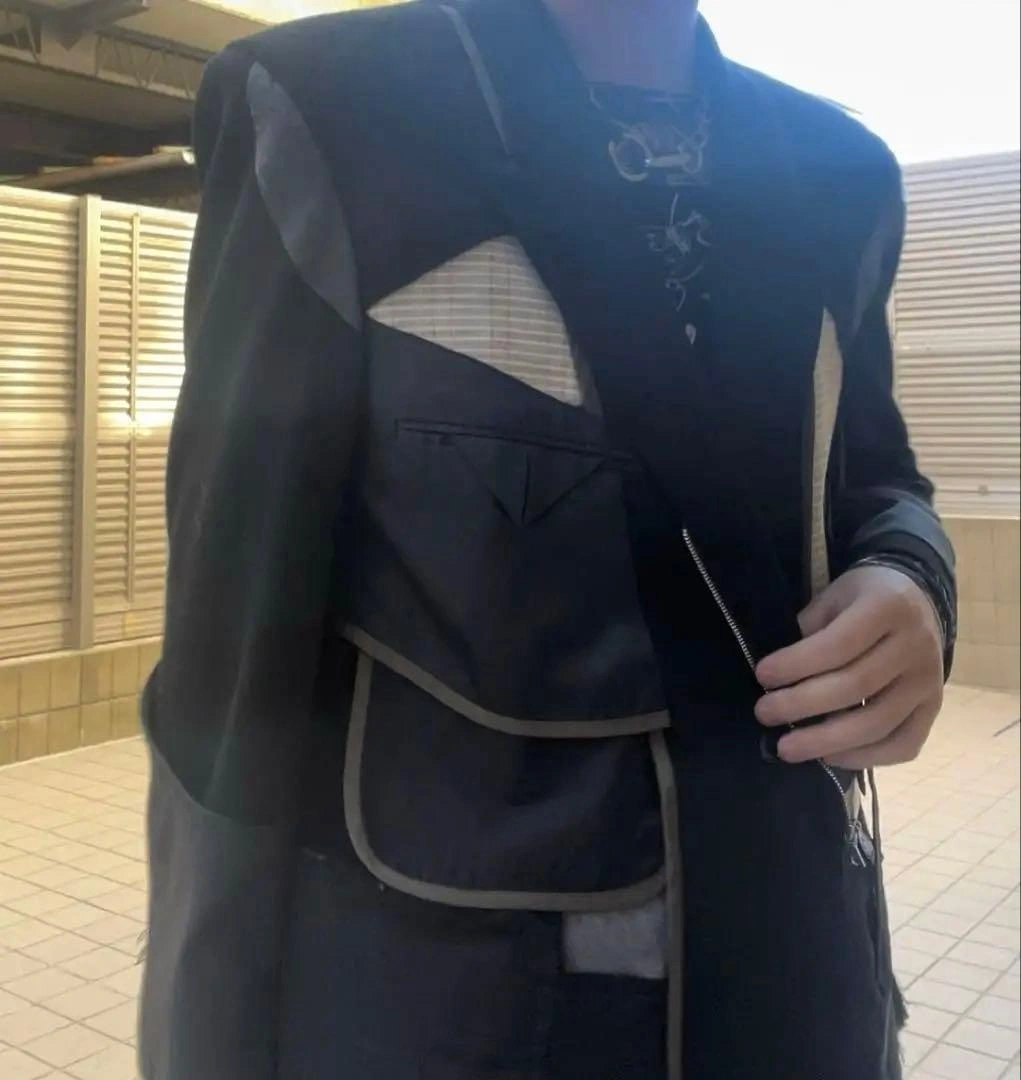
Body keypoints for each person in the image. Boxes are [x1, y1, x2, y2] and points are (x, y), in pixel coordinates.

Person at [139, 1, 956, 1078]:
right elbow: (232, 644)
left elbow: (874, 474)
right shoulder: (330, 108)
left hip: (802, 962)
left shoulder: (838, 170)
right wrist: (205, 1034)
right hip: (458, 999)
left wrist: (911, 577)